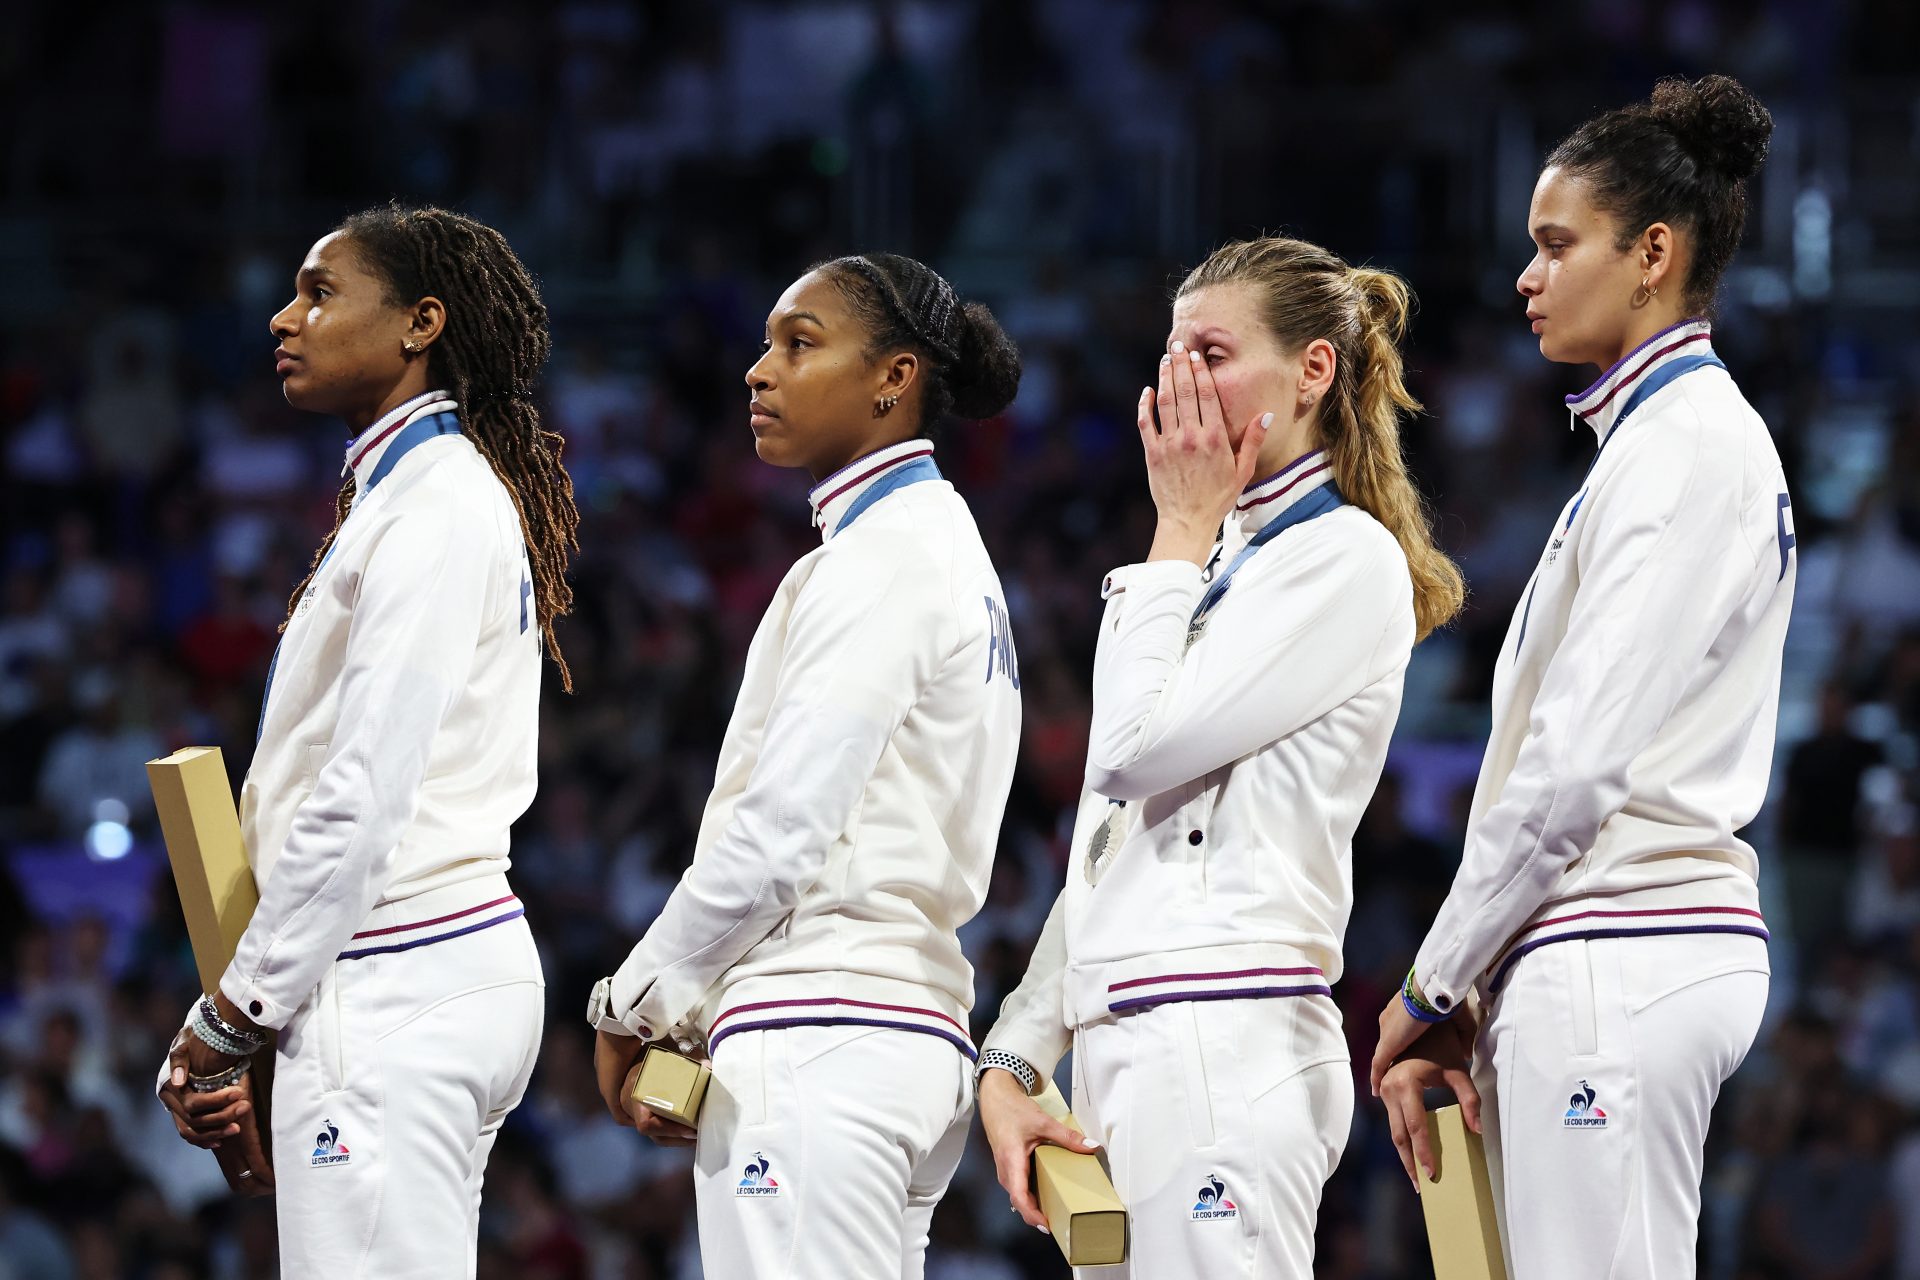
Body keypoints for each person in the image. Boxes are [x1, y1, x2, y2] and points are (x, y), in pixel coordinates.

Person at [976, 235, 1464, 1277]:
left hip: (1223, 1037)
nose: (1178, 380)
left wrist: (1176, 529)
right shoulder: (1218, 554)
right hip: (1138, 1038)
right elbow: (1114, 840)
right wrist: (1020, 1047)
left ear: (1313, 371)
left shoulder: (1343, 558)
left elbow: (1126, 751)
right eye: (1169, 353)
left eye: (1210, 350)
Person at [1372, 75, 1793, 1279]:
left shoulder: (1682, 449)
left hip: (1624, 944)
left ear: (1653, 253)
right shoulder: (1654, 446)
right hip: (1607, 948)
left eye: (1557, 244)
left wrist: (1434, 982)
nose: (1528, 276)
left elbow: (1569, 773)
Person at [154, 204, 578, 1279]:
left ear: (419, 323)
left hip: (396, 962)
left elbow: (364, 789)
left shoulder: (433, 503)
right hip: (414, 962)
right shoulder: (410, 493)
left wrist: (236, 1012)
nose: (282, 317)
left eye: (319, 292)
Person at [585, 253, 1024, 1280]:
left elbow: (781, 834)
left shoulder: (879, 557)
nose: (757, 369)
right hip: (901, 1028)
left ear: (894, 377)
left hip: (824, 1028)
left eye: (800, 342)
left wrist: (634, 1002)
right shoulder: (942, 545)